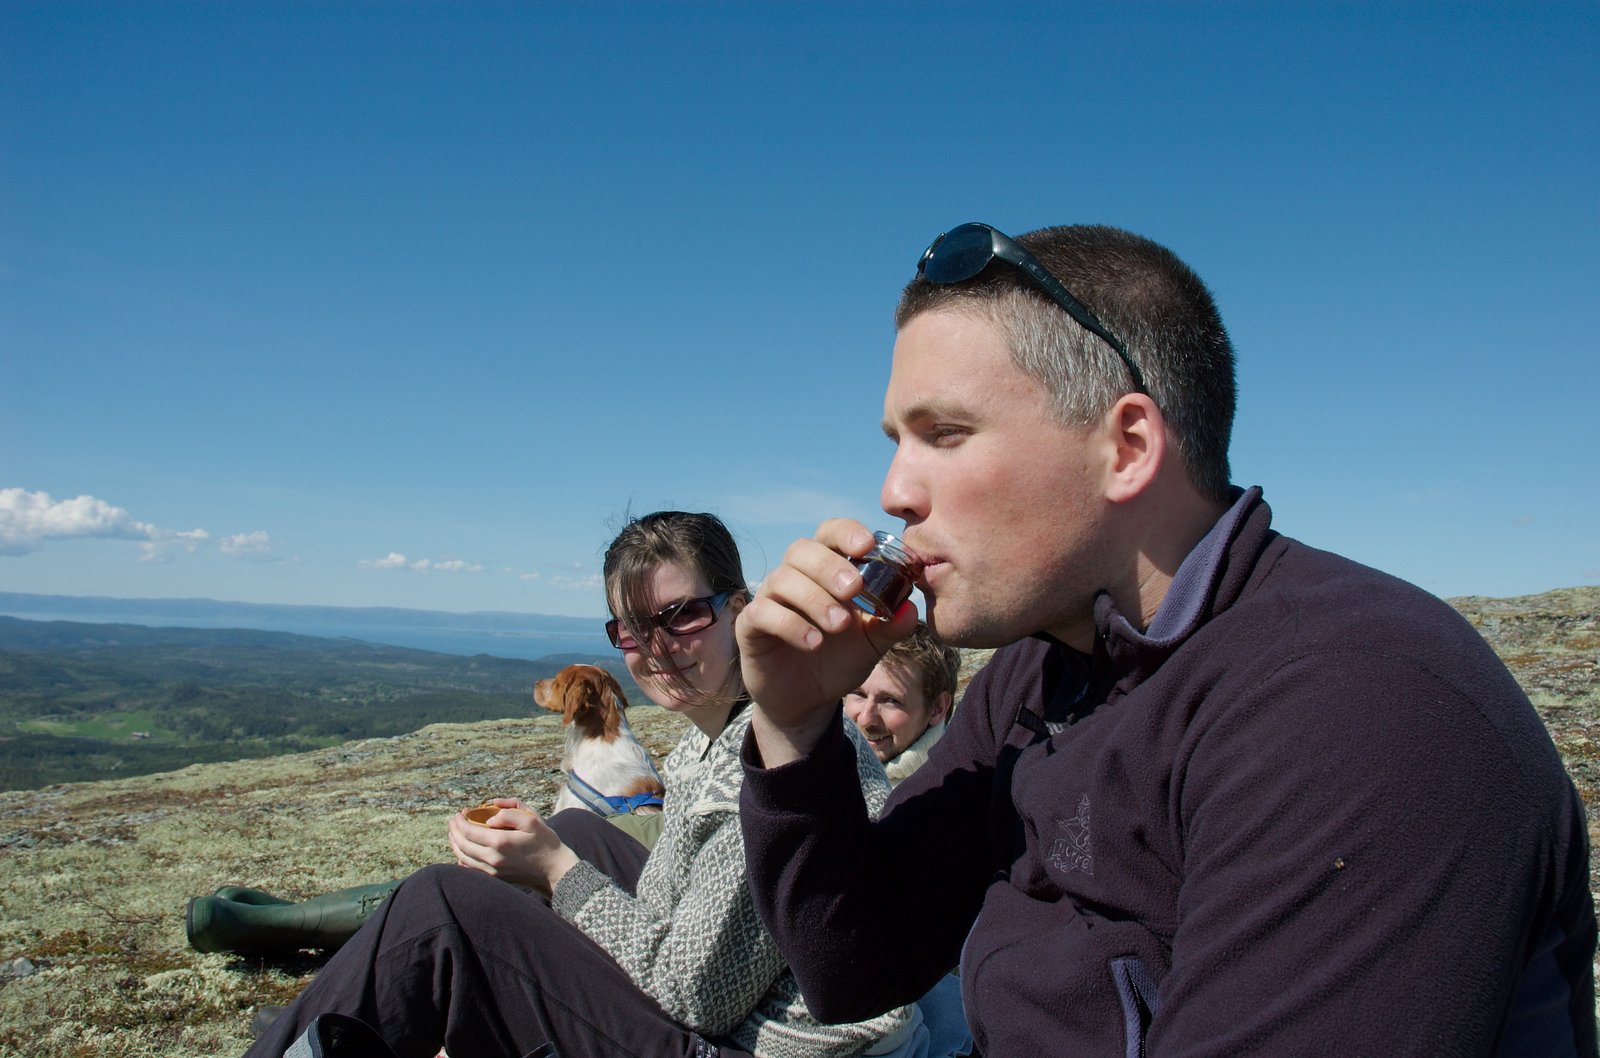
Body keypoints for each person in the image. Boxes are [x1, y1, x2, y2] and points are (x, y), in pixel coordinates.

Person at [734, 223, 1597, 1055]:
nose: (894, 491)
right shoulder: (1037, 673)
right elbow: (856, 966)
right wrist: (795, 726)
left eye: (945, 435)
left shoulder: (1360, 708)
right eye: (898, 442)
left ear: (1128, 447)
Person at [245, 511, 916, 1058]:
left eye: (681, 614)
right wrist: (558, 857)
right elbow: (672, 908)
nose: (656, 647)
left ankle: (356, 1018)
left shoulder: (774, 759)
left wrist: (556, 872)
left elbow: (694, 1000)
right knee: (576, 830)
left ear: (738, 607)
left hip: (751, 1045)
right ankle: (374, 1009)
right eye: (631, 629)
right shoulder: (711, 737)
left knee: (442, 907)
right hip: (731, 1007)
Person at [843, 622, 959, 785]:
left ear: (937, 708)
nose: (865, 719)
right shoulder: (821, 766)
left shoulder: (955, 790)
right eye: (858, 693)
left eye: (891, 700)